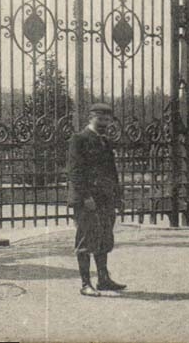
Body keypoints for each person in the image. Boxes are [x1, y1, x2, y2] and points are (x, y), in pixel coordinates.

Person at [67, 103, 126, 296]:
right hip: (87, 200)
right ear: (90, 118)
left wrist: (117, 197)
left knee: (104, 238)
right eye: (100, 119)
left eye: (107, 120)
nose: (104, 123)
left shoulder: (105, 141)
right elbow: (75, 172)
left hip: (106, 198)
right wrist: (85, 197)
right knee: (86, 239)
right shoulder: (79, 139)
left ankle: (103, 280)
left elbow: (111, 172)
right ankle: (86, 284)